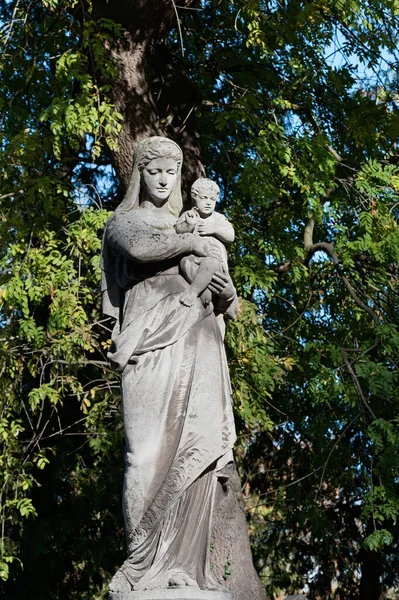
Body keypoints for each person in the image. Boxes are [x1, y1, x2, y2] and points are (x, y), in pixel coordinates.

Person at [101, 136, 237, 594]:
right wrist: (194, 242)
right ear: (140, 172)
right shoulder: (125, 222)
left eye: (171, 172)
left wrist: (221, 285)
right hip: (148, 338)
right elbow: (141, 250)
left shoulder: (187, 226)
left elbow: (224, 291)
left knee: (192, 452)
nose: (163, 180)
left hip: (196, 335)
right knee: (142, 455)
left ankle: (179, 566)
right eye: (155, 170)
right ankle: (140, 565)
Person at [175, 178, 235, 309]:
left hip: (213, 257)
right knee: (184, 262)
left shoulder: (218, 218)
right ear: (195, 197)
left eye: (212, 199)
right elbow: (178, 231)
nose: (208, 203)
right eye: (204, 198)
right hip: (193, 256)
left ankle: (193, 292)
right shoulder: (189, 215)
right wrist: (189, 225)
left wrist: (214, 229)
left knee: (210, 264)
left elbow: (230, 235)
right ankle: (204, 291)